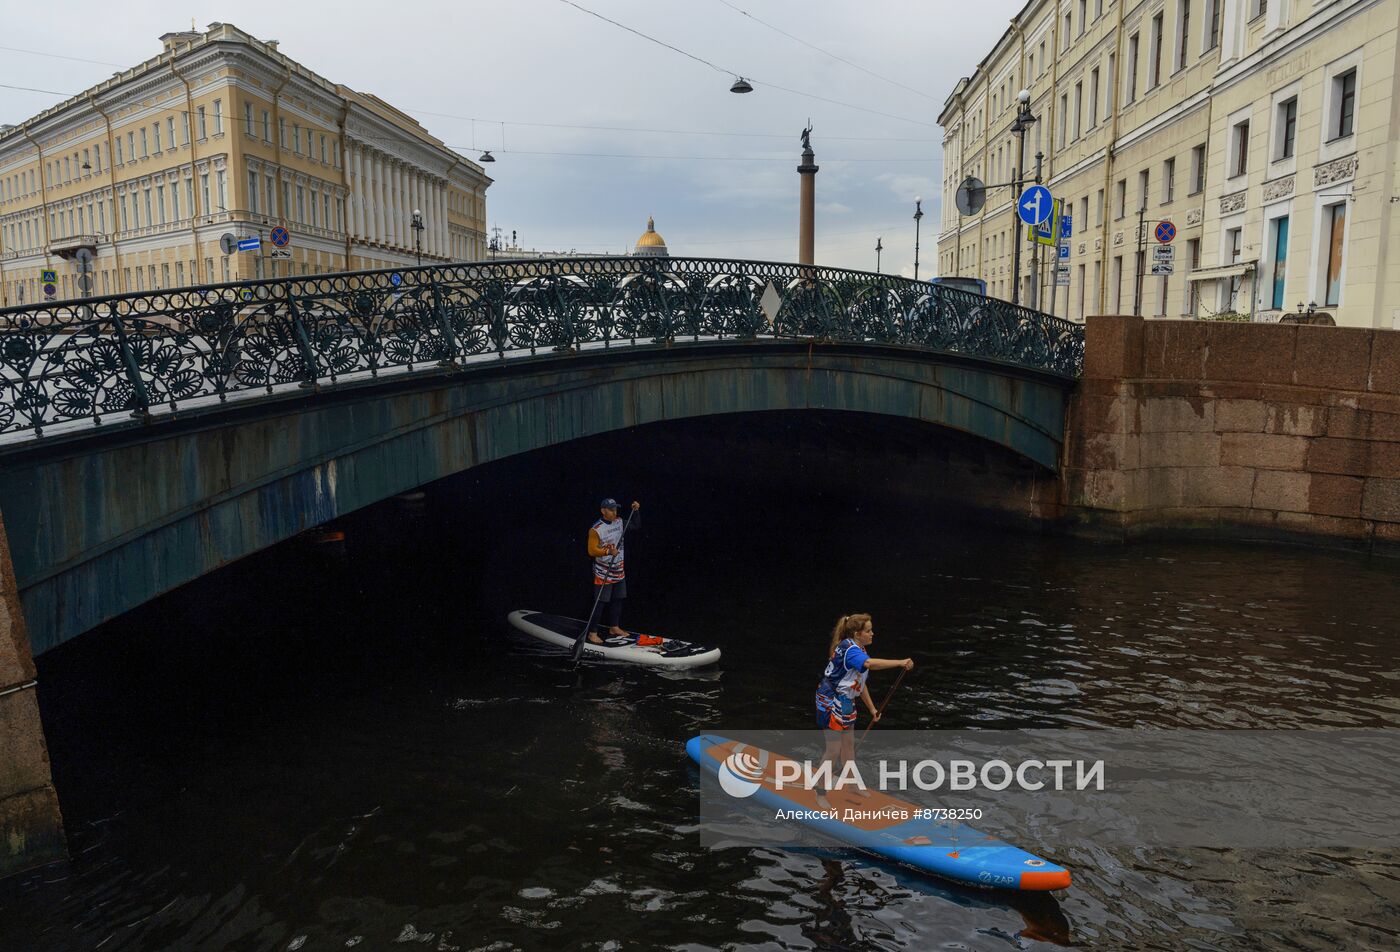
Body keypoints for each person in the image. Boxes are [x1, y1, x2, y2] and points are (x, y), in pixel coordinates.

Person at [813, 613, 913, 807]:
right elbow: (868, 665)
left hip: (846, 700)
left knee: (849, 746)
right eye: (868, 631)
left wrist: (872, 709)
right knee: (833, 750)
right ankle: (820, 791)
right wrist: (900, 662)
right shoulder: (850, 650)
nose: (872, 634)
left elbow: (859, 682)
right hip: (830, 700)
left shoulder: (860, 648)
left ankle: (851, 785)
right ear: (857, 633)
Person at [585, 498, 647, 646]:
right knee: (600, 602)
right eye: (611, 510)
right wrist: (607, 551)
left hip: (619, 568)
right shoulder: (596, 529)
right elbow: (591, 550)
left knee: (618, 598)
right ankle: (592, 633)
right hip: (604, 571)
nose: (614, 512)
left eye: (615, 509)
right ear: (603, 511)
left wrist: (636, 511)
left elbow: (636, 525)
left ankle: (614, 627)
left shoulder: (619, 522)